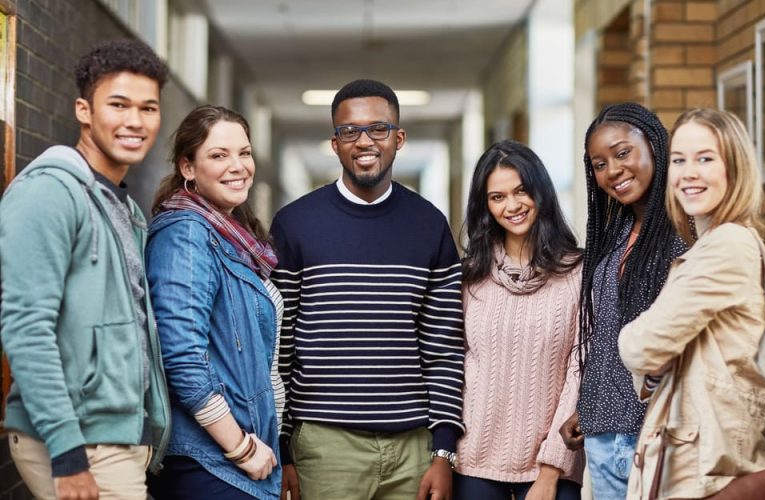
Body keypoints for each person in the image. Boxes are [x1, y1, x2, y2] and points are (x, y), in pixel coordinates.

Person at [270, 79, 465, 500]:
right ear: (335, 143)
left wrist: (443, 450)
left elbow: (445, 347)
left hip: (413, 448)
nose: (364, 141)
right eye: (349, 131)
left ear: (399, 138)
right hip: (324, 446)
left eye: (378, 128)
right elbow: (279, 347)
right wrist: (282, 449)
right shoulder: (294, 224)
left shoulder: (429, 225)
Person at [0, 39, 170, 500]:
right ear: (84, 110)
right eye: (118, 104)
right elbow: (26, 327)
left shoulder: (125, 208)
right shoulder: (49, 194)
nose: (135, 121)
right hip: (78, 440)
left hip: (116, 437)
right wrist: (67, 452)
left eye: (148, 108)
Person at [618, 108, 765, 499]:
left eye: (705, 159)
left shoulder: (728, 244)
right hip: (701, 466)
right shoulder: (712, 244)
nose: (688, 173)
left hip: (707, 474)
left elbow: (641, 347)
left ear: (734, 168)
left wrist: (639, 343)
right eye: (679, 161)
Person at [145, 105, 283, 499]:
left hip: (240, 454)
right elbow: (181, 357)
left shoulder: (230, 233)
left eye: (244, 153)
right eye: (219, 155)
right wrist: (240, 447)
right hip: (212, 461)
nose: (238, 166)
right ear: (188, 167)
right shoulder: (187, 234)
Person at [558, 102, 686, 499]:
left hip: (663, 438)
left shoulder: (689, 234)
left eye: (622, 153)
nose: (613, 170)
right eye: (599, 164)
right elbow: (606, 335)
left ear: (655, 146)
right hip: (604, 438)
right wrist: (588, 405)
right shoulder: (615, 235)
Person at [455, 140, 583, 500]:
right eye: (497, 197)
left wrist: (551, 468)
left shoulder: (579, 273)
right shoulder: (469, 277)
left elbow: (580, 369)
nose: (512, 206)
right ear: (485, 206)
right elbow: (453, 365)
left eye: (521, 191)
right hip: (473, 462)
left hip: (552, 464)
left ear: (541, 191)